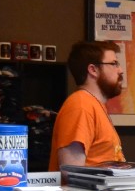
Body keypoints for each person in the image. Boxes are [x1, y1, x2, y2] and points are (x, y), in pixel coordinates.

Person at [49, 41, 126, 170]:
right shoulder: (81, 106)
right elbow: (72, 171)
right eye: (114, 64)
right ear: (93, 70)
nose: (120, 70)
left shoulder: (93, 105)